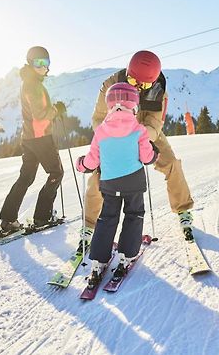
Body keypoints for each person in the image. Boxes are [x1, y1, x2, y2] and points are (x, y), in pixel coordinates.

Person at [83, 50, 194, 244]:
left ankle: (183, 210)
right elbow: (99, 119)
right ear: (128, 72)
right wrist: (117, 140)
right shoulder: (111, 85)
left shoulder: (160, 91)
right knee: (100, 172)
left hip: (144, 131)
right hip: (114, 131)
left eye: (145, 85)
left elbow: (154, 124)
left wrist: (137, 140)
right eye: (134, 82)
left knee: (171, 163)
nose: (139, 88)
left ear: (154, 80)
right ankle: (89, 226)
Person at [76, 82, 158, 287]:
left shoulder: (101, 131)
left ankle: (98, 261)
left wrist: (81, 164)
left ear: (109, 104)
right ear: (134, 105)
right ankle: (126, 256)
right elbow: (147, 158)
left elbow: (92, 161)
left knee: (107, 217)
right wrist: (154, 152)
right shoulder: (139, 129)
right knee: (134, 214)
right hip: (134, 181)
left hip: (110, 183)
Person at [0, 46, 66, 232]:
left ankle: (8, 219)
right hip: (41, 138)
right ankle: (42, 218)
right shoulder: (33, 85)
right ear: (31, 63)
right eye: (40, 63)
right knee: (56, 173)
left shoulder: (28, 82)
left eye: (47, 63)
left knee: (26, 176)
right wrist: (56, 110)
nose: (45, 67)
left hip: (29, 138)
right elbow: (41, 114)